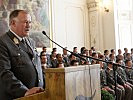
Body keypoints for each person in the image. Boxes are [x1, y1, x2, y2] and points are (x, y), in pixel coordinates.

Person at [0, 9, 45, 100]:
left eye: (30, 22)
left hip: (37, 95)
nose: (29, 26)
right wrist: (24, 91)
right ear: (13, 23)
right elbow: (4, 73)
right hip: (17, 96)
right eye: (25, 22)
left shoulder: (30, 42)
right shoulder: (3, 42)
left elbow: (37, 66)